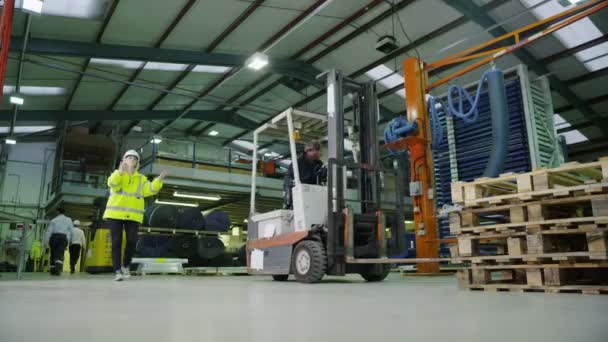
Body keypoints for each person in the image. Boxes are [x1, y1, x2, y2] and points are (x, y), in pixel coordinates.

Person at [103, 150, 167, 281]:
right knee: (116, 242)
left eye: (135, 158)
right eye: (129, 157)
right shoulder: (117, 175)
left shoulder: (141, 179)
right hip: (115, 214)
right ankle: (117, 270)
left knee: (132, 241)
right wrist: (119, 172)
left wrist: (158, 180)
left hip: (133, 215)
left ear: (137, 163)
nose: (132, 159)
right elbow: (111, 183)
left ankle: (125, 265)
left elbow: (150, 190)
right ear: (124, 161)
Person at [283, 140, 326, 209]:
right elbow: (289, 180)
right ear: (308, 151)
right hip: (299, 197)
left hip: (313, 197)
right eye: (316, 150)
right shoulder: (298, 163)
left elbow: (321, 180)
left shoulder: (319, 164)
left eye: (318, 150)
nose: (318, 153)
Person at [43, 208, 73, 276]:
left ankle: (53, 269)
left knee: (53, 253)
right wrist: (69, 240)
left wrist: (45, 242)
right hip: (63, 237)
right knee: (60, 253)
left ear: (58, 212)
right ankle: (58, 268)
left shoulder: (54, 220)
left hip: (54, 237)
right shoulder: (68, 220)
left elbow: (49, 231)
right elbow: (71, 231)